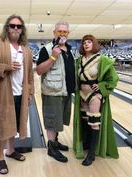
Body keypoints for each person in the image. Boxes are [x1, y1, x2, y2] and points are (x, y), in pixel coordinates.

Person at [0, 14, 34, 175]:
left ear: (22, 30)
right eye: (12, 25)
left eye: (18, 26)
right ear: (7, 27)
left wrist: (30, 92)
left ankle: (11, 150)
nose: (15, 28)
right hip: (4, 92)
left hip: (21, 93)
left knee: (13, 125)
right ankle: (0, 157)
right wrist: (6, 66)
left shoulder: (26, 50)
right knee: (2, 125)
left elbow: (29, 75)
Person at [73, 34, 119, 166]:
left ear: (94, 44)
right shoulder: (79, 60)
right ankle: (87, 144)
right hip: (82, 94)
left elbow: (113, 79)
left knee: (94, 122)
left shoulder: (102, 59)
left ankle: (91, 153)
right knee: (85, 120)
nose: (86, 44)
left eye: (89, 42)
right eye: (84, 42)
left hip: (94, 95)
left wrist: (101, 87)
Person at [36, 21, 76, 163]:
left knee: (59, 119)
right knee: (52, 120)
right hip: (52, 91)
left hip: (66, 91)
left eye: (65, 32)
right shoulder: (46, 49)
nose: (62, 34)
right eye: (60, 31)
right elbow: (39, 71)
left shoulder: (70, 50)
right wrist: (53, 56)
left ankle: (56, 141)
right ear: (54, 33)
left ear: (68, 34)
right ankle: (51, 148)